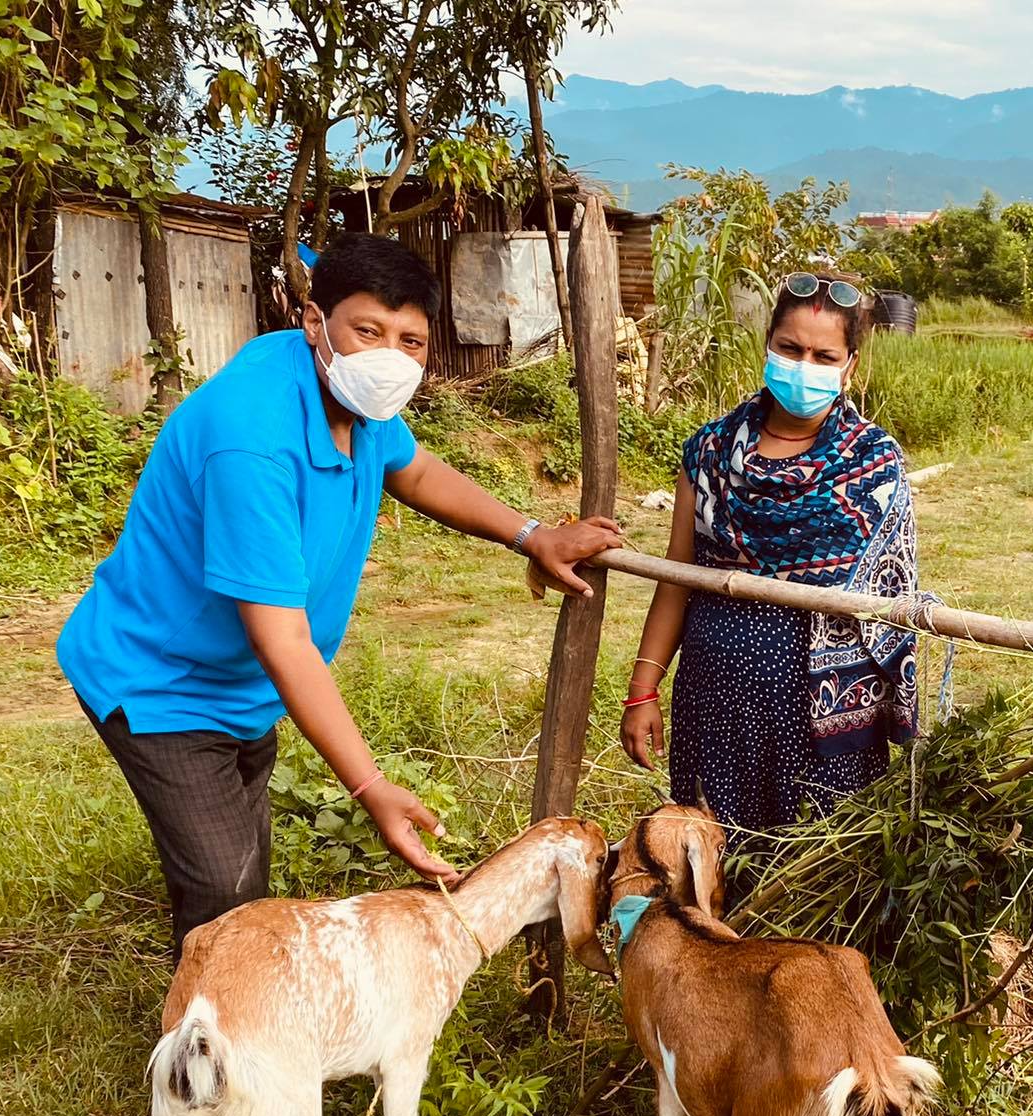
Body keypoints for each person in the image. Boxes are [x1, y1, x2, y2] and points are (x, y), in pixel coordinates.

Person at [57, 234, 621, 954]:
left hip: (243, 685)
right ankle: (209, 1050)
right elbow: (282, 640)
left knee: (238, 862)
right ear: (314, 321)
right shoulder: (252, 435)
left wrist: (529, 533)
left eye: (410, 339)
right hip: (160, 681)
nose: (390, 355)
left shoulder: (359, 403)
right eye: (368, 330)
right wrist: (370, 787)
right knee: (226, 895)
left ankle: (230, 995)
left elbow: (413, 471)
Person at [618, 272, 923, 831]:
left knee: (818, 873)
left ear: (849, 366)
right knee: (715, 856)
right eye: (789, 348)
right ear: (768, 345)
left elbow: (890, 595)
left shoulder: (874, 463)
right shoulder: (710, 452)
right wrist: (643, 691)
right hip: (717, 693)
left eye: (822, 354)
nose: (803, 365)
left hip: (827, 713)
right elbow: (677, 578)